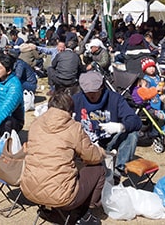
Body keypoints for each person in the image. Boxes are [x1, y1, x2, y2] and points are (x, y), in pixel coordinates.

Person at [20, 89, 105, 225]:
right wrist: (102, 152)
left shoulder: (36, 124)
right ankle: (86, 213)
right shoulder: (73, 127)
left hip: (30, 189)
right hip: (61, 196)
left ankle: (54, 211)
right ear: (70, 110)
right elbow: (92, 156)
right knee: (99, 169)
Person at [72, 71, 142, 177]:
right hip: (85, 143)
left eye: (95, 91)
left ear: (102, 87)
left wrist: (120, 127)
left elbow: (135, 120)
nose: (92, 95)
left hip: (109, 142)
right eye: (88, 92)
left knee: (132, 134)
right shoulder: (76, 100)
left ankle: (118, 170)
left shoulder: (115, 99)